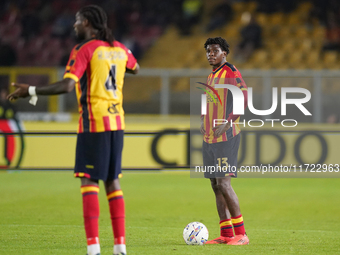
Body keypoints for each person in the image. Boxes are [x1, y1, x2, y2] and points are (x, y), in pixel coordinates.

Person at [8, 5, 139, 255]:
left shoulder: (84, 49)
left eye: (78, 20)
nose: (74, 25)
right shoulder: (120, 49)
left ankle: (93, 249)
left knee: (89, 182)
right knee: (112, 182)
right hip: (117, 123)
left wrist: (31, 91)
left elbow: (68, 86)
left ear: (88, 22)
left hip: (94, 122)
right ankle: (120, 247)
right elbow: (136, 67)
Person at [201, 37, 249, 245]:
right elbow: (209, 100)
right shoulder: (212, 75)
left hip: (226, 137)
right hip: (210, 137)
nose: (211, 54)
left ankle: (241, 234)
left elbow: (244, 96)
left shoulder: (230, 71)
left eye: (215, 50)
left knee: (224, 182)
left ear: (224, 53)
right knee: (215, 184)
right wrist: (202, 119)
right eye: (208, 51)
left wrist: (229, 122)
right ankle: (226, 233)